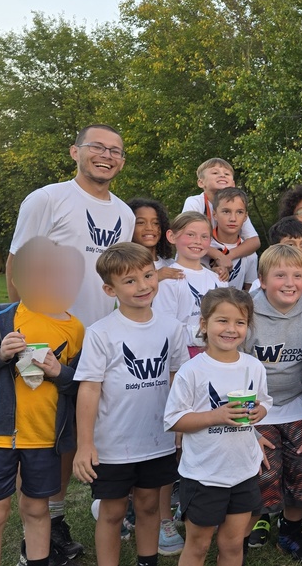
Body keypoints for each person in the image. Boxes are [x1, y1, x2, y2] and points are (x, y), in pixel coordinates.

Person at [6, 124, 134, 559]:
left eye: (116, 151)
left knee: (70, 437)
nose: (107, 155)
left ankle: (55, 521)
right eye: (98, 146)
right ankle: (34, 536)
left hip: (94, 342)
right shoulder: (47, 199)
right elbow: (18, 264)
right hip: (44, 341)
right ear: (74, 151)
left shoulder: (124, 213)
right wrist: (23, 332)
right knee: (39, 442)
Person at [0, 237, 84, 566]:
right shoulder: (0, 318)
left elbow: (80, 385)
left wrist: (59, 372)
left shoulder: (75, 329)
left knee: (36, 509)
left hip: (44, 436)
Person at [73, 242, 191, 565]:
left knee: (149, 506)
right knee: (112, 512)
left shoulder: (172, 328)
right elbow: (89, 390)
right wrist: (85, 444)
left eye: (148, 275)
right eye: (130, 281)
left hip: (157, 440)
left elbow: (178, 378)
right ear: (110, 289)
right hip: (113, 444)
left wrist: (180, 427)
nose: (143, 286)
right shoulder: (100, 333)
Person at [163, 288, 272, 566]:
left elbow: (264, 401)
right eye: (222, 320)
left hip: (243, 472)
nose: (231, 329)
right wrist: (216, 416)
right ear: (204, 324)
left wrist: (260, 411)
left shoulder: (253, 367)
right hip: (204, 475)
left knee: (233, 544)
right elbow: (174, 420)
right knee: (198, 545)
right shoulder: (192, 370)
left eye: (240, 322)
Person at [244, 245, 302, 562]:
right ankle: (241, 534)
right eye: (280, 275)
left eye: (298, 275)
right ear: (262, 280)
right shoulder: (245, 314)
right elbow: (230, 374)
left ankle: (291, 532)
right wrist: (247, 430)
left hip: (297, 405)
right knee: (263, 472)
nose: (290, 283)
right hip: (254, 410)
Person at [152, 212, 228, 358]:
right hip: (182, 356)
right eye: (191, 235)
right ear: (171, 236)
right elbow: (165, 328)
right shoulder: (168, 279)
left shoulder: (219, 279)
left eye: (204, 236)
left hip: (218, 354)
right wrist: (205, 335)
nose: (198, 241)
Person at [181, 158, 260, 281]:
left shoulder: (236, 206)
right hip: (197, 257)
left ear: (233, 184)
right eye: (215, 172)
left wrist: (228, 257)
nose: (222, 175)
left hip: (222, 254)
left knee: (251, 255)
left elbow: (254, 241)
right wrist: (219, 256)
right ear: (201, 183)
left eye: (226, 174)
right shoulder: (194, 202)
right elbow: (187, 237)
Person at [206, 188, 258, 291]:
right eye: (226, 211)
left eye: (239, 212)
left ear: (245, 217)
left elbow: (250, 291)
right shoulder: (202, 246)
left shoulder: (250, 254)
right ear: (215, 215)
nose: (233, 218)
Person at [127, 197, 183, 282]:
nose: (149, 228)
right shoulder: (123, 265)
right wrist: (156, 276)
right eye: (141, 222)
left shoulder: (171, 264)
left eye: (156, 223)